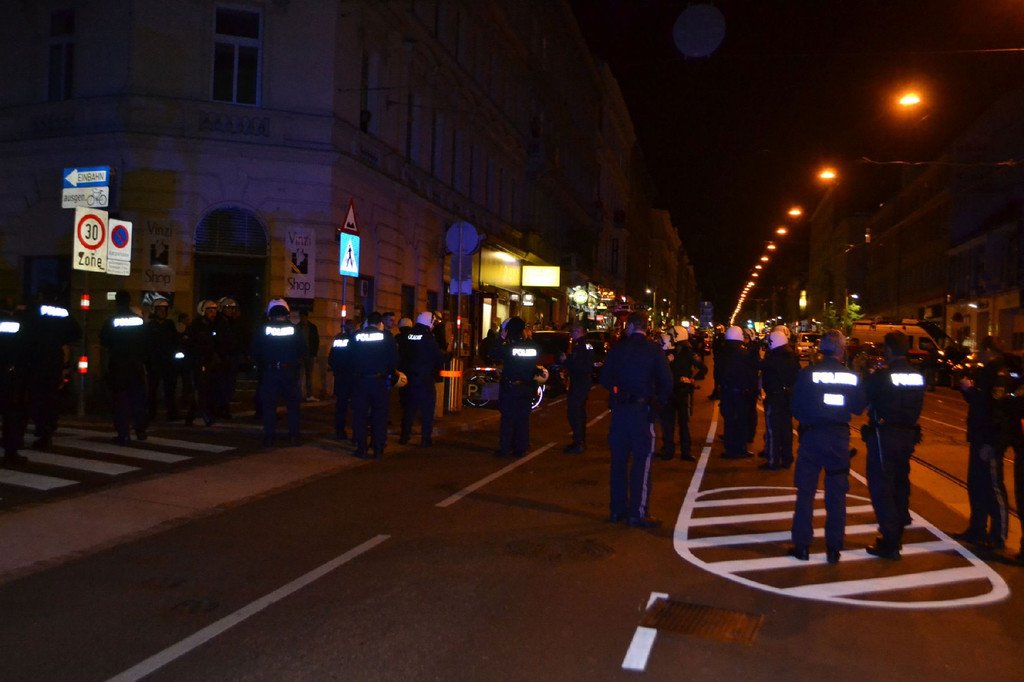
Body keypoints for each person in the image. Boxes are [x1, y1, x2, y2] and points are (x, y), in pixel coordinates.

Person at [788, 330, 866, 563]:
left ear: (821, 349)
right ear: (842, 350)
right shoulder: (851, 377)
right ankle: (834, 548)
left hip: (812, 436)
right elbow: (858, 407)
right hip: (838, 439)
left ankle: (802, 546)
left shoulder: (807, 374)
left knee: (806, 492)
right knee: (837, 494)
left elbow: (795, 406)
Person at [600, 312, 673, 528]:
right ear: (645, 327)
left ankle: (617, 510)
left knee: (618, 462)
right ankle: (637, 513)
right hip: (642, 411)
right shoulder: (653, 350)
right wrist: (657, 402)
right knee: (642, 462)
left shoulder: (618, 349)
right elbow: (667, 382)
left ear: (631, 326)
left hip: (620, 412)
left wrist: (617, 390)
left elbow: (604, 379)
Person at [861, 331, 926, 560]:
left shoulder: (881, 377)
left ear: (888, 350)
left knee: (881, 486)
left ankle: (890, 541)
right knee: (900, 482)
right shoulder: (917, 376)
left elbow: (862, 401)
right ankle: (898, 528)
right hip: (907, 435)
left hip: (884, 435)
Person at [956, 335, 1010, 550]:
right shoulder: (987, 371)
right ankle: (977, 528)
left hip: (989, 439)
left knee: (993, 487)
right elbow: (981, 403)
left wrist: (990, 442)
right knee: (977, 485)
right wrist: (968, 390)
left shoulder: (998, 373)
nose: (977, 353)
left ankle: (998, 535)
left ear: (988, 350)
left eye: (980, 349)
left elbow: (996, 409)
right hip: (979, 437)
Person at [22, 288, 81, 449]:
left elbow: (25, 331)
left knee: (37, 396)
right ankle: (49, 426)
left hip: (37, 359)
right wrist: (60, 340)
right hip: (55, 358)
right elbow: (76, 332)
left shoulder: (35, 310)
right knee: (51, 395)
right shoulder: (62, 311)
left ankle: (42, 428)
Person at [250, 299, 305, 446]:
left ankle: (269, 437)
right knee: (292, 406)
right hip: (289, 371)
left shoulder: (263, 329)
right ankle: (293, 436)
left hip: (270, 371)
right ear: (286, 315)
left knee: (269, 406)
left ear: (270, 315)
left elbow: (255, 350)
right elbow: (303, 350)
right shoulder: (295, 330)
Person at [99, 291, 149, 445]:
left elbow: (104, 340)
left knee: (121, 400)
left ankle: (123, 434)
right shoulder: (138, 320)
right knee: (137, 398)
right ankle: (140, 430)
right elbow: (146, 340)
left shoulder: (112, 320)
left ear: (117, 302)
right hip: (136, 363)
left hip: (119, 363)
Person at [490, 316, 544, 459]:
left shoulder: (509, 348)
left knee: (507, 419)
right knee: (522, 420)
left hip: (510, 387)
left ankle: (505, 449)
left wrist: (502, 338)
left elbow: (494, 352)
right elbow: (537, 356)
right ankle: (521, 449)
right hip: (526, 388)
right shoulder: (533, 347)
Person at [350, 312, 399, 459]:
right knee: (379, 416)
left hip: (360, 381)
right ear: (380, 323)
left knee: (360, 416)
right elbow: (394, 360)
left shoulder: (356, 336)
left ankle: (362, 448)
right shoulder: (387, 337)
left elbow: (349, 358)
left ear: (367, 322)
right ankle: (378, 449)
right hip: (379, 381)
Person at [398, 312, 445, 447]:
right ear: (428, 322)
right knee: (427, 410)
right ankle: (425, 439)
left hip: (409, 379)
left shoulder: (408, 335)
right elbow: (438, 358)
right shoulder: (429, 338)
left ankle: (404, 436)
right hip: (424, 379)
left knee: (409, 409)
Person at [659, 325, 707, 461]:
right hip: (672, 391)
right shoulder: (667, 352)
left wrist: (691, 379)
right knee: (670, 423)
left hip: (680, 391)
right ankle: (672, 450)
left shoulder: (688, 353)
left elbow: (703, 369)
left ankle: (681, 451)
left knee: (681, 423)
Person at [760, 328, 800, 469]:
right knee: (786, 429)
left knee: (773, 430)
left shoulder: (773, 358)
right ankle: (787, 458)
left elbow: (761, 368)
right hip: (788, 397)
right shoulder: (793, 356)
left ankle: (773, 460)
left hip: (774, 397)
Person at [718, 325, 759, 459]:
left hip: (727, 391)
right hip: (741, 392)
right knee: (741, 421)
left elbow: (718, 372)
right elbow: (752, 371)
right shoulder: (744, 353)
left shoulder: (722, 352)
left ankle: (729, 450)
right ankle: (740, 449)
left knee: (729, 422)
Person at [0, 306, 30, 465]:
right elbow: (23, 348)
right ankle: (11, 451)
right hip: (9, 373)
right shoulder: (15, 323)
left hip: (8, 371)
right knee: (11, 412)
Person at [187, 299, 223, 426]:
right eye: (210, 310)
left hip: (210, 362)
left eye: (214, 310)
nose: (213, 313)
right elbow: (194, 345)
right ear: (203, 311)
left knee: (208, 389)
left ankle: (198, 414)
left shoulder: (214, 324)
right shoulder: (197, 325)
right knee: (201, 389)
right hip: (199, 361)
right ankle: (201, 413)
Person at [145, 296, 180, 421]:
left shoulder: (169, 325)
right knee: (152, 389)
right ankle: (151, 413)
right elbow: (146, 344)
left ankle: (172, 412)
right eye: (160, 309)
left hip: (168, 362)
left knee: (170, 389)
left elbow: (175, 341)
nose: (163, 312)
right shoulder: (150, 326)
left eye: (165, 309)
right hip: (154, 362)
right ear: (154, 310)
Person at [563, 324, 596, 454]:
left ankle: (578, 442)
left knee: (574, 412)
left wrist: (565, 361)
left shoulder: (579, 346)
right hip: (584, 382)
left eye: (572, 331)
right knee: (580, 412)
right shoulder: (588, 345)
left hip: (578, 382)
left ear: (578, 331)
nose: (571, 334)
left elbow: (577, 365)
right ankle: (580, 440)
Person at [216, 297, 247, 418]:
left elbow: (240, 339)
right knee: (221, 385)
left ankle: (224, 407)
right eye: (228, 308)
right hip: (222, 358)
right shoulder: (219, 323)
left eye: (233, 308)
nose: (231, 310)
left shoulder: (234, 323)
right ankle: (220, 408)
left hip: (232, 357)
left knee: (229, 385)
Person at [328, 319, 356, 441]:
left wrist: (336, 369)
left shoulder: (338, 338)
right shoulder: (356, 339)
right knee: (356, 406)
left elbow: (331, 358)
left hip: (340, 377)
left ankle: (339, 431)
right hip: (353, 377)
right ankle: (356, 434)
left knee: (341, 406)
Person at [297, 309, 320, 401]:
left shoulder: (312, 327)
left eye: (303, 317)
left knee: (308, 375)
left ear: (306, 317)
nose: (302, 319)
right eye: (301, 317)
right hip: (300, 355)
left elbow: (316, 341)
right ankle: (299, 394)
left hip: (309, 354)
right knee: (299, 375)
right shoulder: (297, 327)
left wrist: (314, 353)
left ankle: (309, 395)